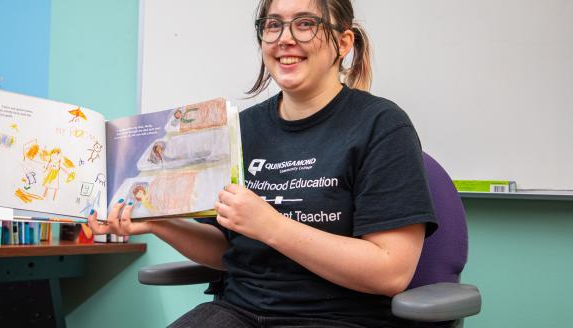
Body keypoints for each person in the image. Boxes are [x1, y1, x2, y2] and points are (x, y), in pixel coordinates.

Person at [88, 0, 438, 327]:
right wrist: (158, 223)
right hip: (239, 312)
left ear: (343, 43)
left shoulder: (382, 125)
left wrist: (271, 225)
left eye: (305, 24)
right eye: (273, 26)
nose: (285, 39)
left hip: (338, 317)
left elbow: (390, 272)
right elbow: (228, 249)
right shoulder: (239, 128)